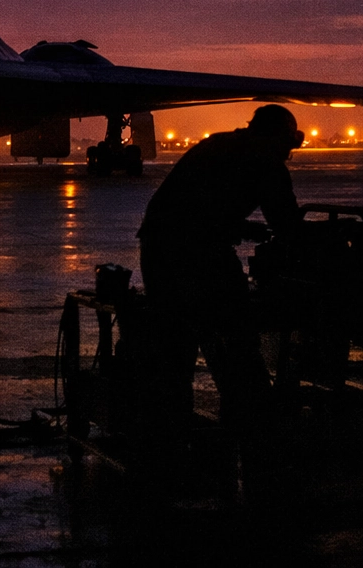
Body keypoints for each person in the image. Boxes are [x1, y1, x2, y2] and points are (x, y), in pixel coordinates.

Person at [136, 104, 304, 467]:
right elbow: (289, 225)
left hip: (159, 247)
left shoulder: (219, 145)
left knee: (174, 348)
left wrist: (241, 228)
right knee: (237, 342)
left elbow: (198, 205)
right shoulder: (266, 160)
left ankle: (170, 443)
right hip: (193, 252)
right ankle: (256, 433)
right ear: (279, 138)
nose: (288, 154)